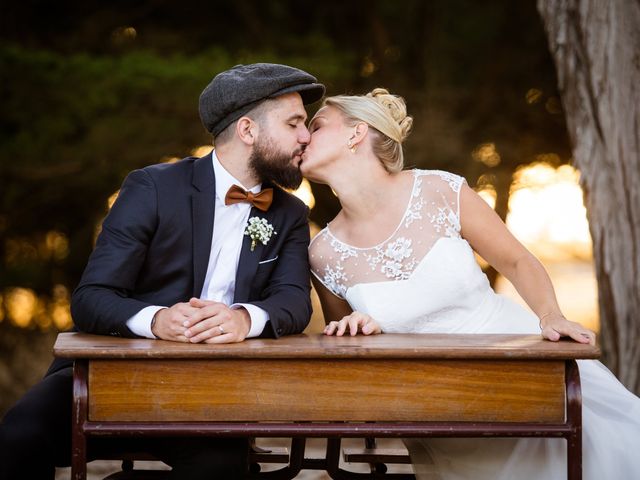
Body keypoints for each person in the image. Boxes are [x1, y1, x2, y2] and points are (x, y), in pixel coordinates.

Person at [0, 63, 324, 479]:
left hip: (212, 392)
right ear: (247, 130)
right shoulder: (152, 187)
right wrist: (157, 319)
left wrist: (244, 318)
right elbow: (91, 297)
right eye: (294, 122)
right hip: (110, 376)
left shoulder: (291, 213)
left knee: (221, 466)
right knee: (16, 438)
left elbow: (293, 300)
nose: (305, 136)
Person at [302, 88, 640, 480]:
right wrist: (358, 332)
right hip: (443, 415)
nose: (304, 137)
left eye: (317, 125)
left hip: (526, 376)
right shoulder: (323, 252)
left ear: (356, 133)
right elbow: (350, 356)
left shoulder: (439, 190)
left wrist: (551, 315)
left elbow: (516, 260)